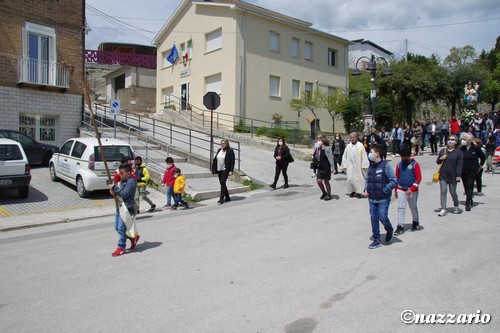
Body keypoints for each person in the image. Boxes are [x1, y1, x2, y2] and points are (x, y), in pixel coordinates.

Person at [364, 144, 397, 249]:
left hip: (383, 198)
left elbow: (394, 180)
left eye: (371, 152)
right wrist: (366, 189)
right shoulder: (371, 166)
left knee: (382, 216)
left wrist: (385, 190)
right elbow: (367, 179)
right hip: (372, 198)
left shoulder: (385, 166)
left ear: (377, 154)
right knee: (374, 218)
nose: (370, 154)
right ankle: (376, 239)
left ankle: (389, 229)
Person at [109, 163, 139, 257]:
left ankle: (121, 247)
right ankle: (132, 238)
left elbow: (124, 194)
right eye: (120, 173)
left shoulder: (131, 182)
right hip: (120, 207)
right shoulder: (122, 181)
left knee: (121, 229)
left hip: (127, 209)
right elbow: (118, 193)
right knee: (117, 228)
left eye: (122, 173)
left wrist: (114, 188)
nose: (120, 175)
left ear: (128, 173)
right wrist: (112, 191)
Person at [394, 147, 422, 235]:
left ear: (408, 156)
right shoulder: (399, 165)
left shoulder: (415, 165)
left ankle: (415, 221)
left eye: (403, 157)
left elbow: (418, 178)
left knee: (413, 207)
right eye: (401, 157)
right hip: (401, 189)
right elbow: (396, 178)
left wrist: (412, 189)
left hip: (412, 191)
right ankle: (400, 226)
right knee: (401, 208)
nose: (402, 158)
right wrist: (396, 189)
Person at [436, 135, 463, 216]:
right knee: (443, 192)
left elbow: (460, 164)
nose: (450, 141)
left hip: (453, 175)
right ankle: (443, 208)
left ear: (456, 142)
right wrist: (441, 158)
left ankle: (456, 205)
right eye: (449, 139)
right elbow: (438, 162)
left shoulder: (459, 152)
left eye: (452, 139)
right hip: (443, 175)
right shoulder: (443, 151)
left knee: (453, 192)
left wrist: (458, 175)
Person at [460, 134, 485, 211]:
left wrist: (480, 166)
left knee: (470, 185)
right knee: (465, 186)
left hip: (473, 170)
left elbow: (483, 157)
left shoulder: (476, 148)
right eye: (462, 139)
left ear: (469, 140)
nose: (463, 140)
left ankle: (468, 203)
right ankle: (470, 198)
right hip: (463, 170)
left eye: (464, 139)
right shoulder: (461, 148)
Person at [341, 132, 369, 198]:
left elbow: (364, 155)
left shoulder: (360, 145)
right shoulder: (348, 146)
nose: (352, 139)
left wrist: (364, 165)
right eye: (351, 137)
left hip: (358, 166)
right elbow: (344, 156)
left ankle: (359, 192)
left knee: (359, 179)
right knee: (350, 179)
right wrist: (344, 165)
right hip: (350, 166)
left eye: (354, 137)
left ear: (356, 138)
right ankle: (352, 191)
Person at [212, 139, 235, 205]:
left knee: (222, 182)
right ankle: (227, 197)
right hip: (219, 169)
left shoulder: (230, 151)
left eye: (224, 143)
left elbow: (232, 161)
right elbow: (216, 158)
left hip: (225, 169)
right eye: (221, 143)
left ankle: (221, 198)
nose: (222, 145)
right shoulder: (219, 150)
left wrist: (231, 170)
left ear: (227, 144)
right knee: (222, 183)